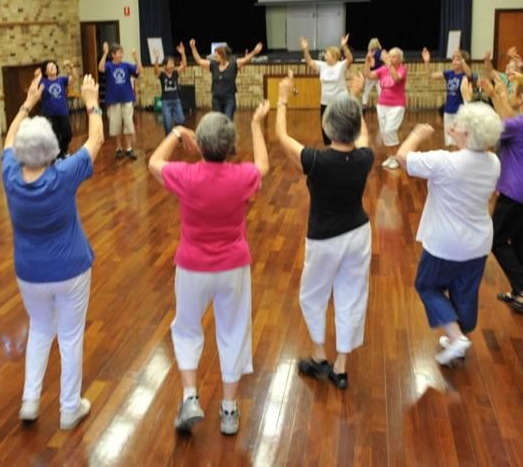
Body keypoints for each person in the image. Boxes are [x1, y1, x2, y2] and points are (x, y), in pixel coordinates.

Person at [148, 100, 270, 435]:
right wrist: (257, 124)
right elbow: (263, 165)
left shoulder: (186, 175)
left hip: (191, 267)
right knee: (233, 330)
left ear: (200, 145)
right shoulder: (243, 176)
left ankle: (190, 397)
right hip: (233, 267)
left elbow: (154, 162)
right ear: (231, 147)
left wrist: (176, 132)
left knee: (187, 328)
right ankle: (229, 410)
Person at [2, 73, 103, 429]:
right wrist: (91, 102)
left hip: (29, 272)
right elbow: (96, 139)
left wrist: (27, 103)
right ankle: (69, 407)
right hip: (70, 269)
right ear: (53, 150)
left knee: (41, 329)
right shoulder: (62, 175)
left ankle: (30, 401)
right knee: (71, 336)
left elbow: (9, 138)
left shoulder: (10, 174)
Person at [276, 70, 373, 390]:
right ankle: (341, 367)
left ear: (327, 128)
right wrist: (356, 98)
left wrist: (282, 99)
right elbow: (362, 132)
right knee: (351, 296)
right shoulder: (365, 157)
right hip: (359, 233)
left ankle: (320, 356)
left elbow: (281, 137)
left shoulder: (315, 160)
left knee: (312, 296)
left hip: (324, 239)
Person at [395, 95, 502, 364]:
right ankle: (459, 336)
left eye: (458, 126)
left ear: (465, 133)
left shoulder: (446, 162)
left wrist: (417, 134)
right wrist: (460, 137)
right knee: (464, 292)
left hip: (446, 243)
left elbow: (402, 157)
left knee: (427, 286)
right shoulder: (493, 163)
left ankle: (456, 337)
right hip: (478, 244)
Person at [481, 72, 523, 312]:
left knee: (495, 239)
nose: (508, 91)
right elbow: (505, 119)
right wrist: (497, 96)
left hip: (514, 192)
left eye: (512, 89)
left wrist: (490, 97)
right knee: (519, 241)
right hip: (520, 193)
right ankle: (520, 290)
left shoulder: (516, 125)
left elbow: (488, 132)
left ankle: (521, 289)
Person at [189, 39, 263, 120]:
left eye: (216, 55)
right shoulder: (213, 65)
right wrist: (193, 47)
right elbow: (199, 61)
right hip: (216, 99)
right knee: (219, 121)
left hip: (229, 99)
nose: (214, 56)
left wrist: (254, 52)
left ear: (222, 55)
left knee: (227, 119)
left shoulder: (233, 64)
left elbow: (245, 60)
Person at [301, 34, 353, 145]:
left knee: (341, 126)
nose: (325, 55)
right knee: (326, 126)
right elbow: (309, 62)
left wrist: (344, 46)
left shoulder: (341, 65)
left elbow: (350, 59)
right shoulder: (322, 65)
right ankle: (330, 149)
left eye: (327, 53)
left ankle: (343, 148)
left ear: (334, 56)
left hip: (340, 102)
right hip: (325, 102)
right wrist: (305, 49)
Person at [364, 47, 407, 169]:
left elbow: (396, 79)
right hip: (382, 105)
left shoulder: (402, 69)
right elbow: (368, 75)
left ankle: (396, 158)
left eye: (394, 57)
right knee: (384, 133)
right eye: (390, 56)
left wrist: (389, 65)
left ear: (400, 59)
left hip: (397, 106)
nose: (391, 58)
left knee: (390, 131)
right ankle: (391, 157)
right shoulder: (383, 69)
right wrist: (367, 61)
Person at [98, 42, 142, 160]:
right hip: (113, 100)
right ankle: (118, 148)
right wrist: (105, 53)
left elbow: (139, 70)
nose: (121, 54)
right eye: (119, 53)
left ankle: (129, 148)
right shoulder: (108, 65)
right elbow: (100, 68)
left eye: (122, 52)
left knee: (128, 124)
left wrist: (136, 57)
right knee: (116, 125)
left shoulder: (126, 66)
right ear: (113, 55)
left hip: (127, 98)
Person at [422, 47, 472, 146]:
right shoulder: (449, 74)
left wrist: (461, 59)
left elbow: (470, 74)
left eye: (457, 60)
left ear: (463, 61)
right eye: (453, 59)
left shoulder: (465, 76)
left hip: (460, 112)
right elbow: (430, 75)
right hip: (448, 111)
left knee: (458, 140)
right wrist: (427, 61)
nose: (454, 62)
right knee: (449, 141)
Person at [39, 59, 77, 159]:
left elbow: (74, 78)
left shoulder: (61, 80)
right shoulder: (43, 82)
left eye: (54, 66)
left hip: (62, 112)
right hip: (50, 114)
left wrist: (71, 65)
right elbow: (36, 91)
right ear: (45, 71)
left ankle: (62, 151)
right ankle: (59, 155)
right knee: (55, 136)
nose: (53, 67)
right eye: (50, 67)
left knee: (67, 134)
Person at [153, 43, 187, 135]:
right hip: (166, 102)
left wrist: (182, 53)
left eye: (173, 63)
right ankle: (169, 139)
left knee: (181, 120)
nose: (172, 65)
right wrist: (156, 58)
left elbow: (184, 65)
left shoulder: (175, 73)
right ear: (165, 65)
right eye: (170, 63)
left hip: (176, 100)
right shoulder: (162, 75)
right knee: (167, 124)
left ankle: (178, 135)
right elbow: (156, 69)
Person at [362, 38, 383, 109]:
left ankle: (364, 106)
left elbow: (372, 65)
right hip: (380, 74)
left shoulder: (372, 52)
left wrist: (367, 60)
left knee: (366, 91)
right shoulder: (381, 52)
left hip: (372, 74)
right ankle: (382, 105)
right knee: (380, 91)